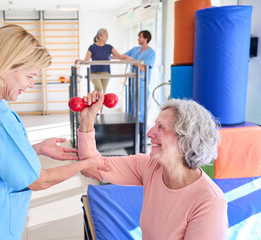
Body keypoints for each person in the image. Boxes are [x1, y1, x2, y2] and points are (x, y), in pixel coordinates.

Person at [0, 25, 108, 240]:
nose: (31, 84)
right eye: (29, 76)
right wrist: (85, 164)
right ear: (4, 67)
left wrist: (36, 149)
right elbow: (39, 180)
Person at [77, 91, 228, 239]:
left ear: (187, 142)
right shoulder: (149, 166)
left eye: (161, 127)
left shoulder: (210, 202)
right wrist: (87, 119)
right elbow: (91, 166)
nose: (149, 133)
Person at [77, 28, 126, 95]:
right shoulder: (92, 47)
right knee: (99, 90)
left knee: (102, 93)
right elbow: (86, 61)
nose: (107, 37)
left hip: (105, 72)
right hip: (94, 73)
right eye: (106, 35)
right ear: (100, 36)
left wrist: (129, 58)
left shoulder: (109, 47)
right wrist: (80, 61)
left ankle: (100, 105)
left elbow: (119, 56)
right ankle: (98, 105)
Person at [123, 30, 156, 122]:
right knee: (131, 107)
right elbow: (122, 56)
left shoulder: (151, 53)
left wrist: (133, 60)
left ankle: (141, 129)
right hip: (132, 82)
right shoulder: (135, 50)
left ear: (146, 39)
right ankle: (131, 127)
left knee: (140, 108)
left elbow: (144, 69)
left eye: (140, 37)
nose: (138, 39)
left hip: (142, 83)